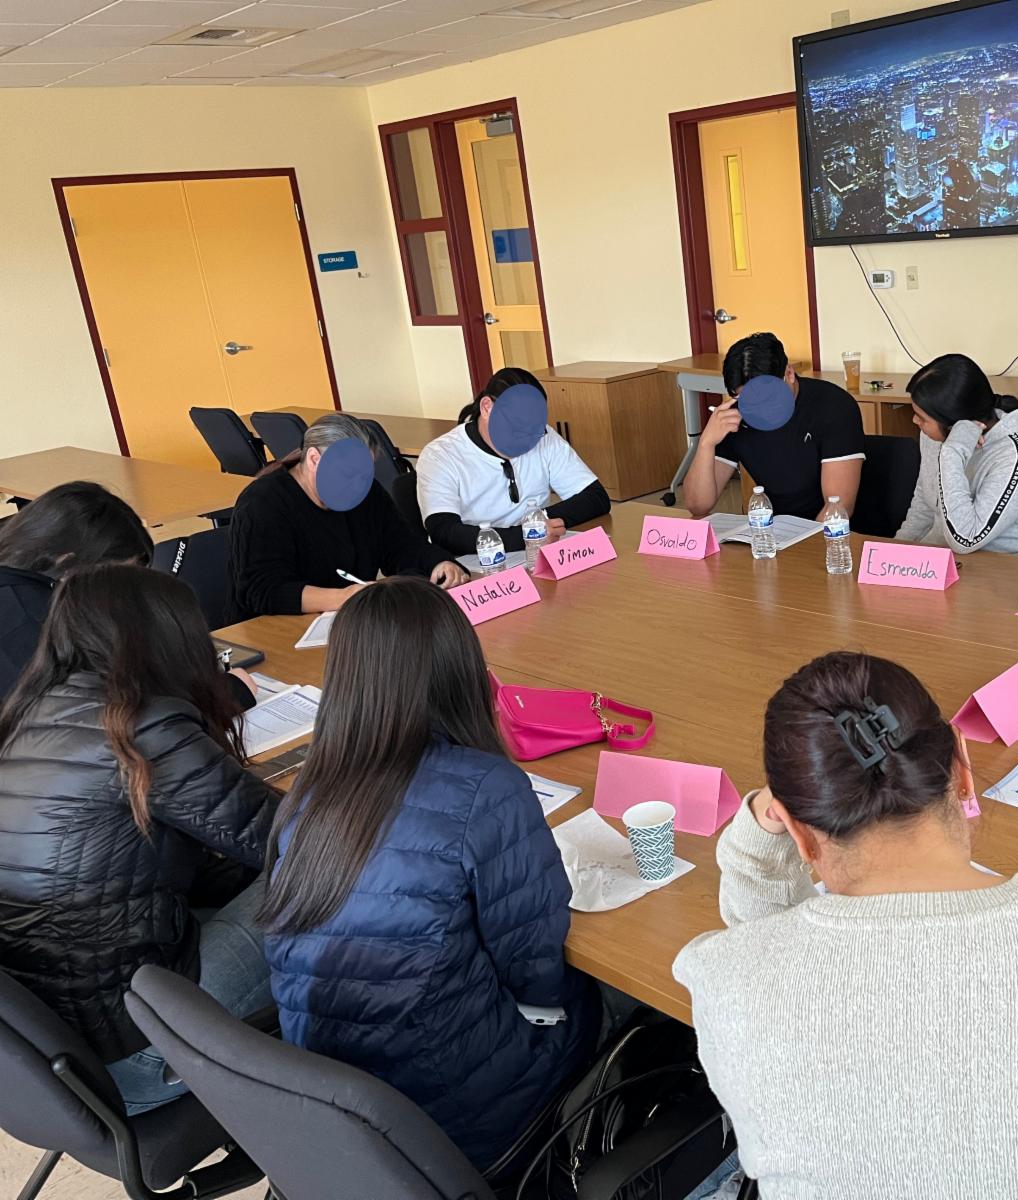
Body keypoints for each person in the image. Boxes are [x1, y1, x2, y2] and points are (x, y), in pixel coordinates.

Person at [673, 652, 1018, 1198]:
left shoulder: (727, 976)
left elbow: (775, 948)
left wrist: (761, 833)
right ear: (962, 769)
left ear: (797, 835)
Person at [261, 577, 598, 1170]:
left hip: (338, 1116)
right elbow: (534, 966)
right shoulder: (486, 787)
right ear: (460, 668)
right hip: (453, 1119)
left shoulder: (308, 791)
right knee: (612, 999)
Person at [0, 564, 279, 1113]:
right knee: (346, 874)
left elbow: (148, 863)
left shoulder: (26, 716)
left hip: (55, 1062)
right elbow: (301, 840)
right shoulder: (139, 725)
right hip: (143, 1052)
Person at [0, 481, 256, 709]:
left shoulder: (23, 588)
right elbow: (97, 720)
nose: (121, 594)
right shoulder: (30, 623)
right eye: (118, 579)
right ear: (67, 563)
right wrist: (225, 696)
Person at [227, 412, 466, 622]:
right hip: (277, 629)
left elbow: (400, 544)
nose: (359, 483)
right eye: (348, 473)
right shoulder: (263, 502)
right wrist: (342, 597)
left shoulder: (364, 491)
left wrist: (438, 562)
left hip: (354, 621)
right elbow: (262, 591)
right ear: (314, 459)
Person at [417, 367, 611, 556]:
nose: (527, 440)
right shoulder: (441, 455)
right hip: (478, 561)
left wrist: (539, 522)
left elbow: (596, 498)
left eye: (535, 430)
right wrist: (525, 535)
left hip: (535, 554)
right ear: (487, 407)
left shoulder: (543, 437)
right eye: (517, 428)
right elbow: (444, 532)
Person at [681, 332, 865, 519]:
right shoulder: (734, 417)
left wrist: (800, 540)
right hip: (775, 528)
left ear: (789, 374)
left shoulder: (833, 407)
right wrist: (706, 443)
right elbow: (698, 505)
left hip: (837, 531)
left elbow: (837, 510)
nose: (760, 408)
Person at [896, 353, 1018, 557]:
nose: (914, 421)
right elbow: (926, 505)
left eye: (922, 417)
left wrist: (952, 453)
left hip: (1016, 568)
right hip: (950, 563)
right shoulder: (935, 434)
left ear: (955, 425)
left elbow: (966, 539)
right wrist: (893, 553)